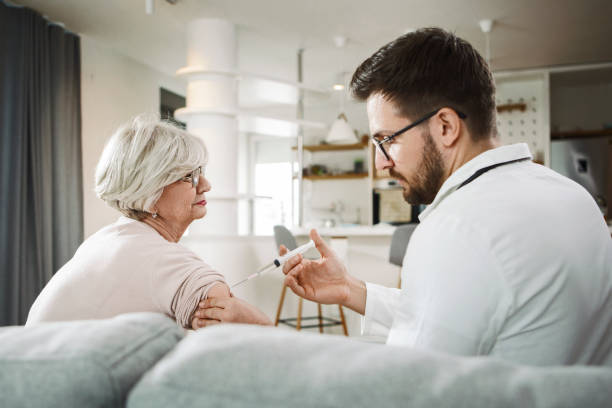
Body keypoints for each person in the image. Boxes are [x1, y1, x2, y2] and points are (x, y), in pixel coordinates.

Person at [280, 28, 612, 366]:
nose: (381, 163)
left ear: (445, 127)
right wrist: (351, 289)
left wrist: (265, 337)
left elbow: (409, 384)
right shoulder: (572, 194)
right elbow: (462, 317)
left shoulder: (456, 229)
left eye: (386, 140)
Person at [27, 115, 271, 329]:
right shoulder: (161, 258)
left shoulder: (107, 239)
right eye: (190, 177)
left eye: (201, 172)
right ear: (149, 193)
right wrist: (264, 323)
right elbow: (240, 339)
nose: (205, 185)